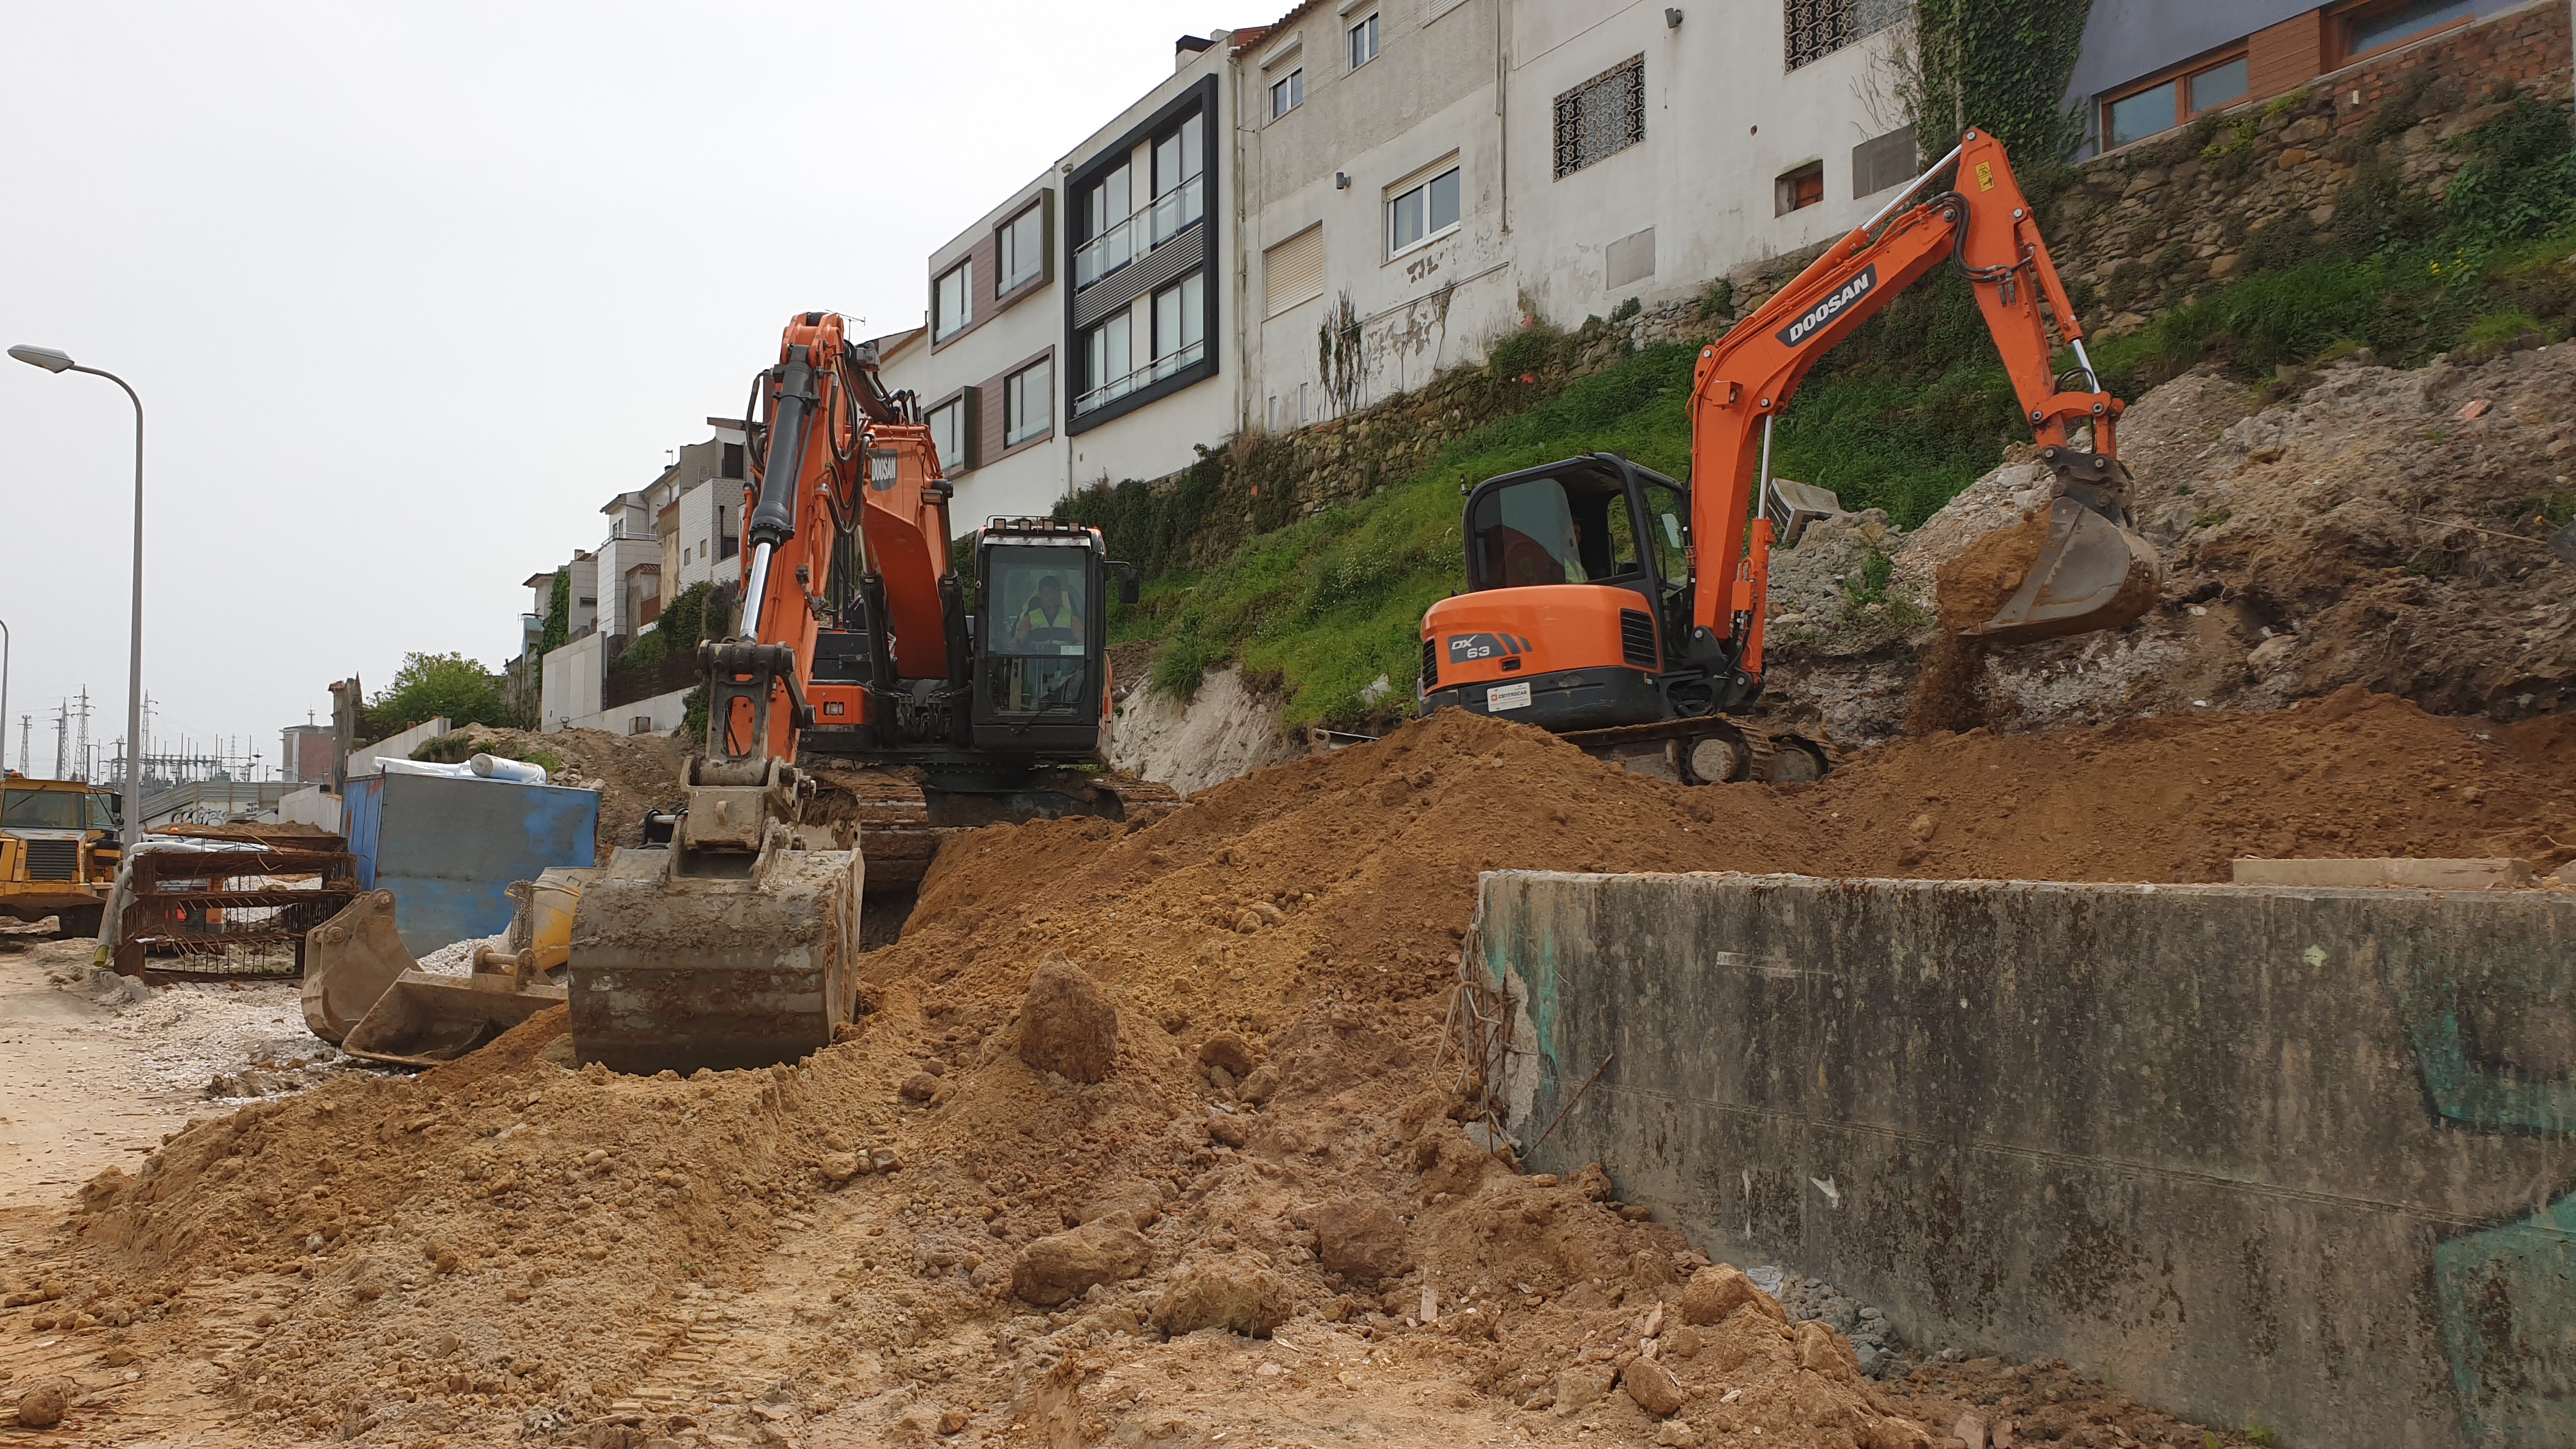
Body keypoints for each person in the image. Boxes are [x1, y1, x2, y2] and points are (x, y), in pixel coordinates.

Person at [1013, 574, 1083, 646]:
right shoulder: (1030, 617)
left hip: (1064, 656)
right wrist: (1015, 645)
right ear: (1040, 595)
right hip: (1036, 656)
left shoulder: (1071, 618)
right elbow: (1019, 639)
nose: (1051, 596)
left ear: (1059, 594)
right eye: (1047, 592)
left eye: (1054, 592)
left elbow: (1081, 640)